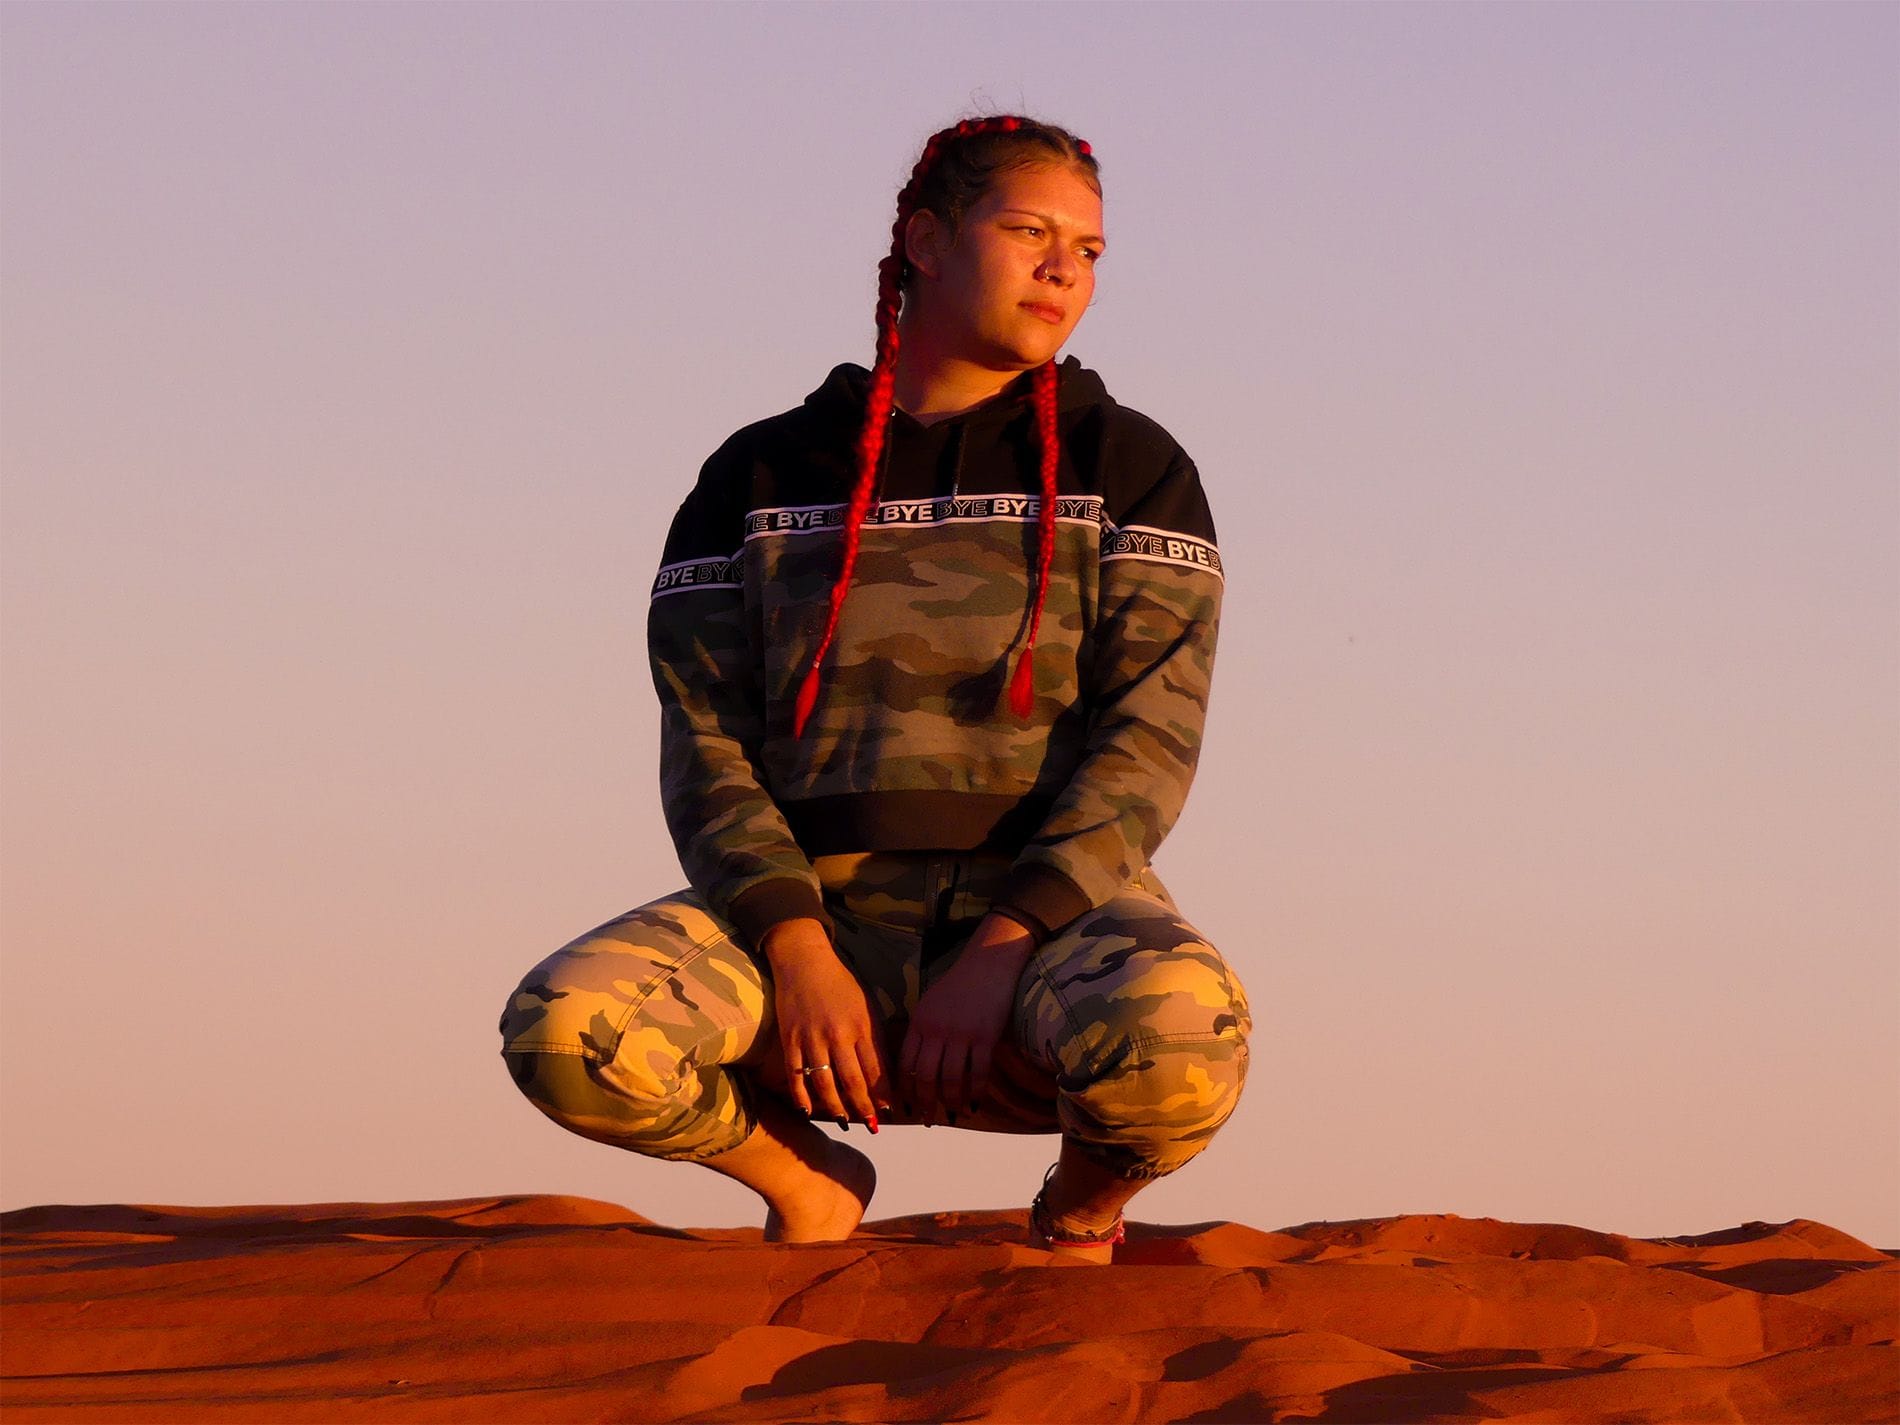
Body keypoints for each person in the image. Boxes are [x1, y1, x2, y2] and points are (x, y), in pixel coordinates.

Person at [498, 115, 1250, 1264]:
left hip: (1049, 924)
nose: (1064, 269)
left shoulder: (1132, 464)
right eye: (1029, 231)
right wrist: (796, 948)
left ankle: (1076, 1219)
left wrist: (1004, 942)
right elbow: (706, 739)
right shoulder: (760, 470)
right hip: (808, 917)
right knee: (568, 1031)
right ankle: (804, 1178)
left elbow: (1148, 742)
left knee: (1186, 1045)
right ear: (927, 241)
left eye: (1089, 251)